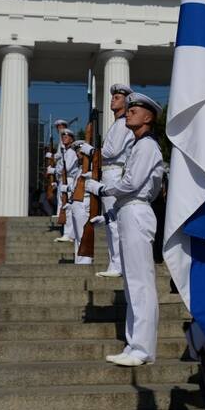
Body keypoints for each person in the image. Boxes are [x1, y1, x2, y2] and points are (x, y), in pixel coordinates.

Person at [85, 92, 164, 367]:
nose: (129, 112)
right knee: (132, 282)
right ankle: (134, 344)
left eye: (135, 109)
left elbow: (131, 183)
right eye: (129, 109)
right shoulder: (138, 146)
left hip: (136, 208)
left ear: (148, 117)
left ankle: (143, 348)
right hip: (129, 209)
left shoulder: (147, 147)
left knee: (140, 282)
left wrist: (103, 188)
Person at [76, 83, 135, 278]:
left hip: (115, 173)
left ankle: (117, 265)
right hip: (108, 172)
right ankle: (115, 262)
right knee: (111, 221)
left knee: (114, 222)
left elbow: (111, 152)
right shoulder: (117, 124)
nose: (113, 99)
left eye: (117, 97)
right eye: (113, 97)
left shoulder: (122, 125)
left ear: (126, 102)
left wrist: (90, 150)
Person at [60, 128, 91, 265]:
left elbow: (85, 186)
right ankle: (79, 260)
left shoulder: (88, 169)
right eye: (77, 152)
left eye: (80, 151)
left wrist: (68, 188)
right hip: (76, 203)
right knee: (78, 236)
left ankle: (85, 261)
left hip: (84, 203)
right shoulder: (80, 169)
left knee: (83, 235)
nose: (78, 154)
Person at [50, 118, 73, 243]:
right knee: (64, 204)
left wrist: (54, 171)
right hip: (63, 179)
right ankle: (67, 233)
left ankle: (69, 233)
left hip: (68, 180)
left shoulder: (70, 152)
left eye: (66, 136)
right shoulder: (64, 148)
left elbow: (66, 167)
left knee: (67, 207)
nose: (63, 136)